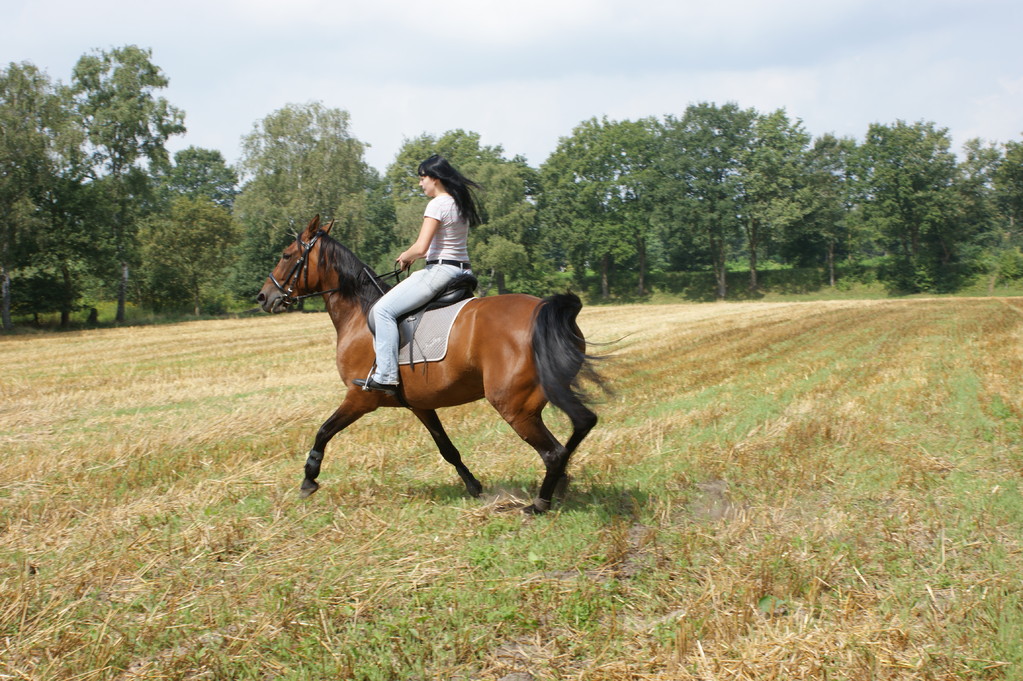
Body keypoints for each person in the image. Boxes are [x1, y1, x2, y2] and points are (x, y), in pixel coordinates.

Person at [355, 155, 482, 395]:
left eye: (422, 178)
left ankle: (386, 375)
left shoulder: (437, 204)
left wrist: (406, 255)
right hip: (462, 269)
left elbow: (422, 247)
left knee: (382, 311)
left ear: (435, 178)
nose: (420, 183)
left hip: (441, 271)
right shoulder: (459, 203)